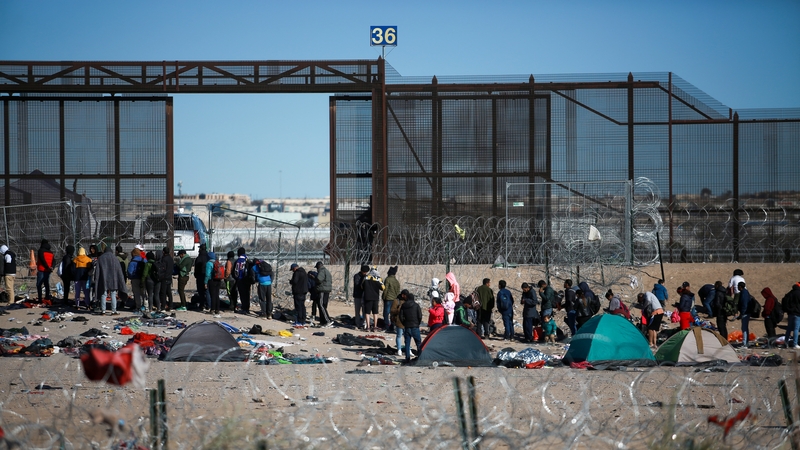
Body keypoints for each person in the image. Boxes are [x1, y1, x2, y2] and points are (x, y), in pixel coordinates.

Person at [93, 246, 127, 315]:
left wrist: (96, 278)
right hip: (113, 279)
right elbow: (119, 270)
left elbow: (97, 270)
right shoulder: (115, 258)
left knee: (103, 294)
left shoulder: (101, 258)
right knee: (113, 294)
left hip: (103, 278)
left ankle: (103, 310)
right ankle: (114, 310)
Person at [399, 292, 422, 362]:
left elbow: (401, 316)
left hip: (407, 326)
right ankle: (420, 357)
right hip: (415, 326)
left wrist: (404, 323)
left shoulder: (403, 305)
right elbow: (420, 316)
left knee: (407, 344)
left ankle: (407, 358)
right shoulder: (416, 305)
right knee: (418, 343)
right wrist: (418, 323)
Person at [127, 248, 146, 312]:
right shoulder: (144, 260)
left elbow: (130, 271)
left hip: (135, 278)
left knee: (136, 293)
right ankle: (144, 305)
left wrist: (131, 277)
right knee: (143, 292)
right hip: (143, 278)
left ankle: (138, 306)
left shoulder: (132, 261)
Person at [290, 263, 309, 327]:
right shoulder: (304, 272)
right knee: (302, 306)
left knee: (298, 307)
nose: (292, 271)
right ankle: (303, 320)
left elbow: (295, 281)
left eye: (292, 269)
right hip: (304, 291)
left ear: (294, 268)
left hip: (298, 292)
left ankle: (299, 321)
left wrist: (291, 281)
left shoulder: (297, 273)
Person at [382, 266, 400, 333]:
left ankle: (387, 326)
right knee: (393, 314)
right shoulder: (396, 281)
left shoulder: (388, 279)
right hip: (395, 299)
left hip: (388, 298)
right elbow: (398, 291)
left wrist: (383, 297)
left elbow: (385, 289)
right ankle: (392, 325)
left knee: (386, 313)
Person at [233, 247, 251, 314]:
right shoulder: (247, 260)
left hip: (240, 279)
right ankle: (247, 308)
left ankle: (244, 308)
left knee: (242, 294)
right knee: (247, 294)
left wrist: (236, 278)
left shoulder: (238, 261)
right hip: (247, 280)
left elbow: (236, 271)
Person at [782, 282, 800, 349]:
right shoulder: (798, 293)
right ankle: (795, 344)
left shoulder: (790, 293)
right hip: (797, 313)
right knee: (796, 329)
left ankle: (785, 343)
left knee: (789, 328)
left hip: (790, 313)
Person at [391, 289, 408, 355]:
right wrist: (399, 309)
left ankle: (408, 349)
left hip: (407, 321)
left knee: (407, 336)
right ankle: (399, 349)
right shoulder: (396, 301)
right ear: (402, 295)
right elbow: (392, 310)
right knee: (399, 336)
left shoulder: (408, 301)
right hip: (399, 321)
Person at [193, 243, 209, 311]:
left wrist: (196, 275)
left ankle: (202, 305)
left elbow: (196, 268)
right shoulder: (208, 257)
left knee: (201, 292)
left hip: (200, 276)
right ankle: (209, 305)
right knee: (207, 291)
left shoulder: (199, 258)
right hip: (208, 276)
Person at [205, 251, 221, 317]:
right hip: (218, 280)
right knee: (217, 295)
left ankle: (212, 309)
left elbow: (207, 274)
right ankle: (217, 309)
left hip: (212, 280)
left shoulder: (208, 263)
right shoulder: (217, 262)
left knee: (212, 295)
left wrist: (205, 282)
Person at [352, 264, 369, 329]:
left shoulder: (366, 276)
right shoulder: (357, 276)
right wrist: (363, 280)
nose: (365, 273)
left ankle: (364, 323)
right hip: (358, 295)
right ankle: (358, 323)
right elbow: (357, 284)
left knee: (364, 311)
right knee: (357, 310)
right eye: (364, 272)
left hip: (364, 296)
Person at [158, 247, 174, 312]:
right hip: (169, 276)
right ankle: (171, 306)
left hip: (164, 277)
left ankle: (163, 307)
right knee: (169, 292)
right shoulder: (171, 258)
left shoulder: (164, 259)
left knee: (163, 293)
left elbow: (163, 268)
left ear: (163, 252)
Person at [738, 281, 752, 347]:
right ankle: (746, 341)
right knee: (745, 327)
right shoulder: (745, 292)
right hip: (747, 312)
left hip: (745, 312)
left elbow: (744, 303)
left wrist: (742, 313)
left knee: (744, 328)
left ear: (740, 287)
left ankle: (745, 343)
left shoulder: (744, 293)